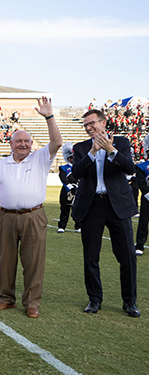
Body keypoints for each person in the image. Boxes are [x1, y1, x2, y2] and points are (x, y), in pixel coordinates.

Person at [0, 97, 61, 319]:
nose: (23, 144)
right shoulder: (1, 164)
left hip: (33, 216)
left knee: (34, 262)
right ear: (11, 144)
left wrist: (49, 117)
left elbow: (56, 143)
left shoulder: (40, 159)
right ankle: (6, 299)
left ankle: (32, 303)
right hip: (5, 217)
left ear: (31, 144)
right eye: (19, 141)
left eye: (27, 141)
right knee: (6, 261)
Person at [71, 108, 140, 317]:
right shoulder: (81, 148)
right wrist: (92, 153)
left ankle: (129, 302)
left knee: (127, 255)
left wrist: (111, 151)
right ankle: (94, 299)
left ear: (103, 122)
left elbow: (130, 168)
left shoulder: (121, 143)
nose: (89, 128)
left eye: (92, 123)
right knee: (91, 255)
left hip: (117, 204)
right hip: (92, 206)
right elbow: (76, 173)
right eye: (85, 125)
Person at [57, 143, 79, 233]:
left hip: (77, 190)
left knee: (77, 209)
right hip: (67, 190)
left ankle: (78, 226)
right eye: (72, 158)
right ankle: (62, 226)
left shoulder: (79, 167)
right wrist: (69, 186)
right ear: (68, 158)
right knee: (64, 209)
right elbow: (62, 177)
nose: (73, 159)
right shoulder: (64, 168)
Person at [135, 135, 149, 256]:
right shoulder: (142, 166)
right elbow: (141, 181)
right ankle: (140, 245)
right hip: (147, 198)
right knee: (144, 221)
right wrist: (146, 193)